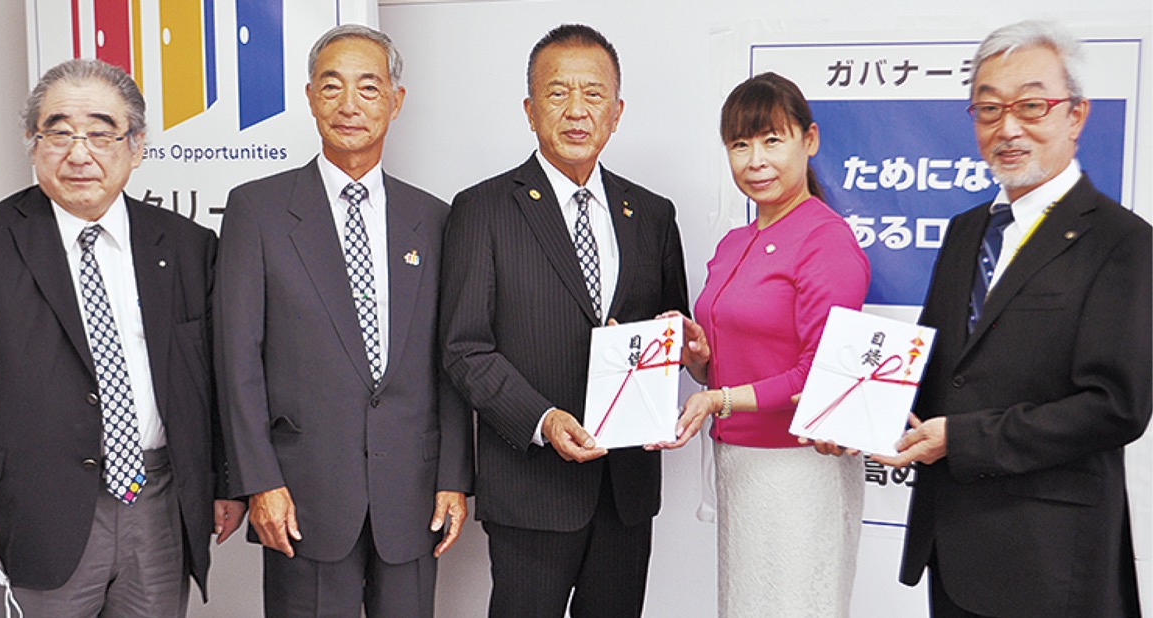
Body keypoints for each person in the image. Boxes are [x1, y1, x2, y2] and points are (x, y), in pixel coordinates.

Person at [872, 20, 1151, 618]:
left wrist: (963, 439)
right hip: (951, 545)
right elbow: (937, 365)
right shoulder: (966, 230)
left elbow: (1115, 406)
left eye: (1031, 106)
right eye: (989, 108)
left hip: (1049, 558)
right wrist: (859, 411)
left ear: (1075, 115)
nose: (1008, 128)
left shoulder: (1123, 242)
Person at [0, 58, 244, 617]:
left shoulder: (187, 246)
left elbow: (211, 378)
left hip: (158, 503)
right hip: (36, 508)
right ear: (32, 143)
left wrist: (224, 482)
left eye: (101, 134)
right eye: (59, 133)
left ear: (136, 147)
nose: (79, 154)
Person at [214, 24, 473, 618]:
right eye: (331, 87)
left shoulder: (434, 219)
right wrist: (259, 481)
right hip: (301, 498)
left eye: (368, 87)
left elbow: (451, 361)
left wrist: (454, 477)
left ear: (396, 101)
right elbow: (237, 358)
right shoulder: (257, 210)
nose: (349, 105)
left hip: (412, 497)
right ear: (310, 98)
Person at [440, 23, 689, 618]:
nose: (577, 110)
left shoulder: (652, 213)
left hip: (626, 492)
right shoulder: (482, 208)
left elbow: (671, 329)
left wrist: (681, 343)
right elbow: (464, 348)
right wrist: (544, 420)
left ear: (617, 112)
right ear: (530, 110)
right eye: (557, 93)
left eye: (593, 93)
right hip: (532, 490)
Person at [658, 72, 871, 617]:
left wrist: (718, 399)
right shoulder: (734, 243)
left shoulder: (825, 239)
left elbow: (819, 375)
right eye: (740, 144)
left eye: (772, 140)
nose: (756, 161)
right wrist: (699, 358)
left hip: (800, 468)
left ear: (809, 140)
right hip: (739, 464)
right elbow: (727, 367)